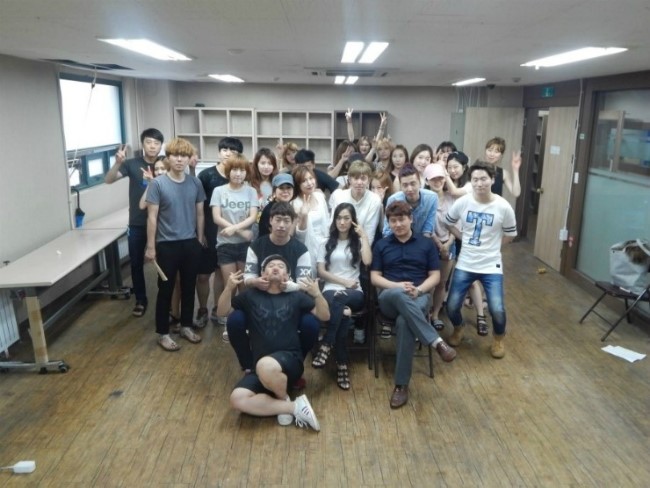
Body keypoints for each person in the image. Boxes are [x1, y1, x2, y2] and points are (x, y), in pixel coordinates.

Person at [217, 258, 326, 431]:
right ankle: (291, 406)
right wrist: (229, 288)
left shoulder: (296, 296)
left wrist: (317, 294)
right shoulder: (250, 295)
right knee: (237, 399)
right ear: (262, 274)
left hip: (290, 361)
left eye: (281, 266)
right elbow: (222, 311)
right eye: (270, 266)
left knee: (265, 365)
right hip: (260, 367)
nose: (275, 268)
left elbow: (325, 316)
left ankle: (281, 397)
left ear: (287, 276)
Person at [371, 201, 457, 409]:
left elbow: (435, 276)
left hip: (419, 296)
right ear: (389, 223)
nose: (398, 224)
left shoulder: (426, 244)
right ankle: (436, 341)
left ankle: (401, 385)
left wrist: (418, 290)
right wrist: (398, 286)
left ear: (411, 219)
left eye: (401, 219)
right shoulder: (382, 245)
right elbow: (375, 278)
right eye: (393, 221)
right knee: (399, 296)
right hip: (390, 296)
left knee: (404, 322)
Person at [227, 202, 318, 375]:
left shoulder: (301, 249)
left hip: (291, 301)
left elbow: (305, 283)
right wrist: (255, 282)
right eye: (278, 220)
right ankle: (249, 364)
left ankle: (295, 363)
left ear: (292, 222)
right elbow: (248, 277)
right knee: (235, 320)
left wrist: (291, 286)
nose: (282, 225)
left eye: (286, 221)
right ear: (270, 221)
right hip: (260, 298)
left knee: (311, 324)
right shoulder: (256, 245)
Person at [444, 161, 517, 358]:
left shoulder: (503, 206)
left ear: (492, 179)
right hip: (466, 262)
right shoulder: (463, 202)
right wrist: (462, 238)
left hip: (491, 265)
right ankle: (458, 328)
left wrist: (494, 246)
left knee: (497, 309)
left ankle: (498, 338)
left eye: (483, 179)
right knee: (452, 305)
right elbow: (448, 222)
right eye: (475, 179)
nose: (479, 183)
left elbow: (511, 234)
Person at [144, 138, 206, 352]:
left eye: (184, 156)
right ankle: (163, 333)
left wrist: (199, 238)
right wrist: (151, 247)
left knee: (189, 286)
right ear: (168, 158)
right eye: (175, 155)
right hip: (166, 244)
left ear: (189, 159)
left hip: (190, 243)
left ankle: (186, 326)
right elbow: (152, 217)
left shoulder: (195, 183)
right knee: (166, 290)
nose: (179, 159)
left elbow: (200, 213)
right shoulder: (157, 184)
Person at [105, 128, 164, 317]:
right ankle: (140, 299)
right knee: (136, 263)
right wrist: (117, 163)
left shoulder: (165, 164)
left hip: (162, 223)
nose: (152, 146)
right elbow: (108, 180)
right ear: (142, 144)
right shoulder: (131, 164)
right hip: (137, 222)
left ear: (161, 146)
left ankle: (165, 300)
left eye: (156, 143)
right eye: (149, 142)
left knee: (164, 263)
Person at [313, 204, 372, 390]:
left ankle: (327, 343)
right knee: (343, 313)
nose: (342, 222)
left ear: (353, 221)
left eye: (347, 218)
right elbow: (321, 272)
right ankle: (342, 366)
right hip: (331, 289)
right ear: (334, 220)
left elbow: (367, 261)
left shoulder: (358, 242)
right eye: (339, 218)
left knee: (340, 301)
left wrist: (364, 236)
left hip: (355, 292)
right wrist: (343, 282)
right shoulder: (325, 243)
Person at [196, 137, 243, 328]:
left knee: (222, 275)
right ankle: (202, 310)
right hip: (207, 232)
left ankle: (218, 309)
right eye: (224, 150)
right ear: (219, 152)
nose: (228, 153)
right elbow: (198, 207)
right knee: (203, 275)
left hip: (229, 236)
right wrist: (200, 233)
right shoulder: (206, 176)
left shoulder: (239, 176)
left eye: (233, 151)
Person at [210, 155, 259, 341]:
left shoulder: (251, 191)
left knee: (244, 286)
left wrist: (234, 229)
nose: (238, 174)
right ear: (228, 172)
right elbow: (216, 217)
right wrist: (238, 230)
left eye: (242, 170)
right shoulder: (219, 191)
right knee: (230, 284)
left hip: (246, 246)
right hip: (225, 245)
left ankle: (245, 322)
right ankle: (230, 323)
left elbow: (252, 217)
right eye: (235, 170)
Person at [423, 163, 456, 332]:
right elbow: (426, 226)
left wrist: (448, 244)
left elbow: (458, 224)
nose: (437, 182)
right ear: (427, 181)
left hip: (449, 244)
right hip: (430, 245)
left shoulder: (452, 199)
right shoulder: (425, 199)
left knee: (442, 282)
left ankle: (435, 315)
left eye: (440, 178)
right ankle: (425, 315)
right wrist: (439, 245)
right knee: (428, 283)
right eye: (433, 179)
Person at [329, 160, 382, 246]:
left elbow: (369, 234)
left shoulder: (374, 200)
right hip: (338, 243)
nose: (359, 182)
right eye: (356, 178)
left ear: (369, 180)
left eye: (363, 178)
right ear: (349, 179)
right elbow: (332, 226)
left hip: (362, 246)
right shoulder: (339, 196)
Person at [292, 165, 330, 273]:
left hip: (324, 244)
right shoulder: (295, 203)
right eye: (304, 181)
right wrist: (304, 215)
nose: (309, 183)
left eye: (311, 178)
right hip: (307, 247)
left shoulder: (320, 196)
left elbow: (327, 222)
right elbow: (299, 236)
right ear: (298, 185)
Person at [382, 164, 438, 238]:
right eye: (405, 185)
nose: (410, 189)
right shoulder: (393, 200)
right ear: (401, 186)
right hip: (397, 239)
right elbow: (387, 230)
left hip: (421, 239)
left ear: (420, 183)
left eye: (413, 184)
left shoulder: (432, 198)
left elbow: (428, 227)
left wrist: (423, 243)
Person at [257, 173, 295, 239]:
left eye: (289, 187)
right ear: (274, 191)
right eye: (281, 188)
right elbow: (282, 237)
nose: (285, 191)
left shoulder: (290, 206)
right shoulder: (270, 210)